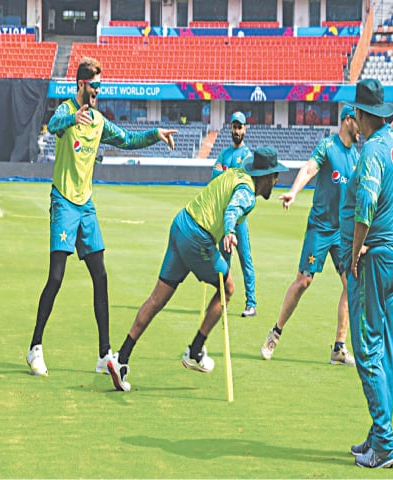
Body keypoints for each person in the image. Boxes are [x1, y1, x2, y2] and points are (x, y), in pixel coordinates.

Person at [26, 57, 178, 377]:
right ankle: (35, 347)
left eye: (100, 85)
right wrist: (71, 119)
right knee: (56, 277)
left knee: (101, 276)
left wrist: (156, 134)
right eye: (94, 85)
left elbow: (128, 139)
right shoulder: (66, 111)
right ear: (82, 84)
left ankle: (103, 353)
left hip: (86, 207)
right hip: (64, 202)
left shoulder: (98, 121)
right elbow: (53, 126)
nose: (98, 91)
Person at [107, 146, 288, 392]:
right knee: (229, 287)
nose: (276, 181)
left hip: (181, 223)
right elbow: (233, 209)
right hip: (197, 237)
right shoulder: (247, 192)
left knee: (157, 298)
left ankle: (121, 358)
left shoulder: (236, 173)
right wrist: (231, 231)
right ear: (265, 176)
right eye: (275, 176)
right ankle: (194, 350)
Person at [341, 78, 393, 469]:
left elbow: (365, 205)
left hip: (375, 258)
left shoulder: (371, 153)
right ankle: (377, 431)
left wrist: (353, 254)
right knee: (387, 347)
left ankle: (385, 442)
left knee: (367, 349)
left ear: (362, 115)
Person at [261, 105, 360, 365]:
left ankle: (339, 347)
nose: (362, 126)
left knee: (352, 284)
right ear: (347, 120)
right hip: (320, 227)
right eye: (358, 120)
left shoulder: (357, 157)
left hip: (343, 233)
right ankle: (276, 331)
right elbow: (309, 168)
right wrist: (294, 192)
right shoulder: (328, 146)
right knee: (304, 281)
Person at [211, 111, 257, 317]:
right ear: (230, 128)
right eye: (234, 127)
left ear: (245, 129)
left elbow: (241, 178)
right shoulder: (224, 154)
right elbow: (214, 177)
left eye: (240, 127)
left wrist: (226, 173)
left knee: (245, 259)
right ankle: (223, 299)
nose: (237, 131)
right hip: (223, 217)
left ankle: (251, 303)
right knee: (224, 260)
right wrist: (229, 173)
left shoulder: (248, 156)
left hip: (239, 219)